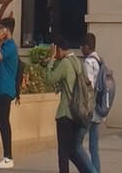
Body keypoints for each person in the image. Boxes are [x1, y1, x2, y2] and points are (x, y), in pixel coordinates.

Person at [46, 38, 95, 173]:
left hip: (65, 113)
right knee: (72, 150)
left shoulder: (65, 63)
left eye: (56, 50)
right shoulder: (78, 62)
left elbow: (49, 79)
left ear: (59, 49)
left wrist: (51, 59)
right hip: (77, 112)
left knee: (63, 152)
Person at [0, 15, 19, 170]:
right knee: (1, 121)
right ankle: (7, 156)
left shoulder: (10, 47)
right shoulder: (4, 45)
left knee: (3, 122)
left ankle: (8, 157)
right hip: (1, 89)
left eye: (1, 29)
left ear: (6, 30)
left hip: (6, 89)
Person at [78, 35, 102, 173]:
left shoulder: (88, 62)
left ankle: (91, 170)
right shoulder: (99, 60)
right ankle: (96, 170)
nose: (81, 49)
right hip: (98, 109)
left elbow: (88, 87)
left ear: (87, 47)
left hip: (90, 109)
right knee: (94, 147)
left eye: (82, 47)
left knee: (76, 144)